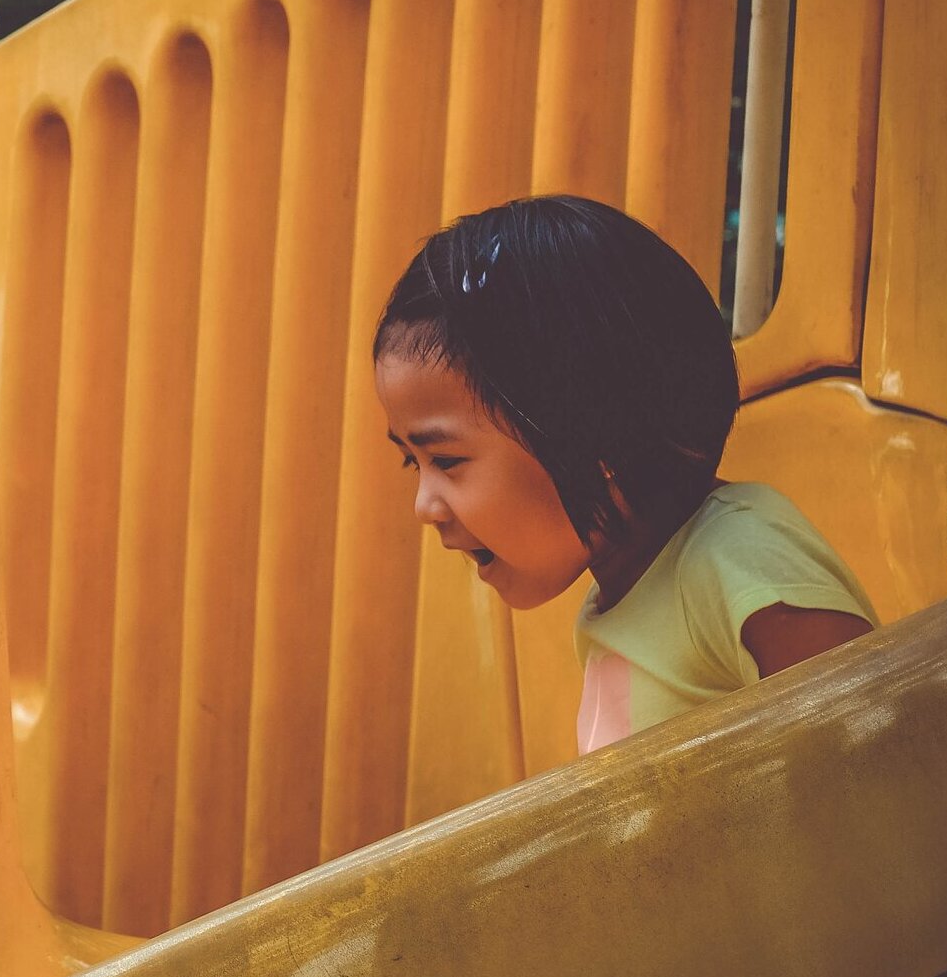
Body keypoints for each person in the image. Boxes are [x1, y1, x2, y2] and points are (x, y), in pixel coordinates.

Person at [373, 194, 877, 754]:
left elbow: (873, 765)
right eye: (411, 462)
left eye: (445, 461)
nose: (424, 506)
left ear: (594, 434)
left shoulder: (738, 562)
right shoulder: (618, 603)